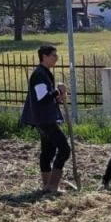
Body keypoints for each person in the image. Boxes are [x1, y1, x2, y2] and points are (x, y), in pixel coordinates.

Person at [20, 44, 70, 193]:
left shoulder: (44, 73)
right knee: (65, 149)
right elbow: (42, 98)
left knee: (48, 151)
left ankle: (47, 186)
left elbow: (45, 97)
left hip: (46, 117)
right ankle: (52, 186)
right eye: (54, 55)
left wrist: (58, 97)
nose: (56, 58)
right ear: (45, 56)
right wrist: (57, 91)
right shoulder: (39, 74)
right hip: (44, 119)